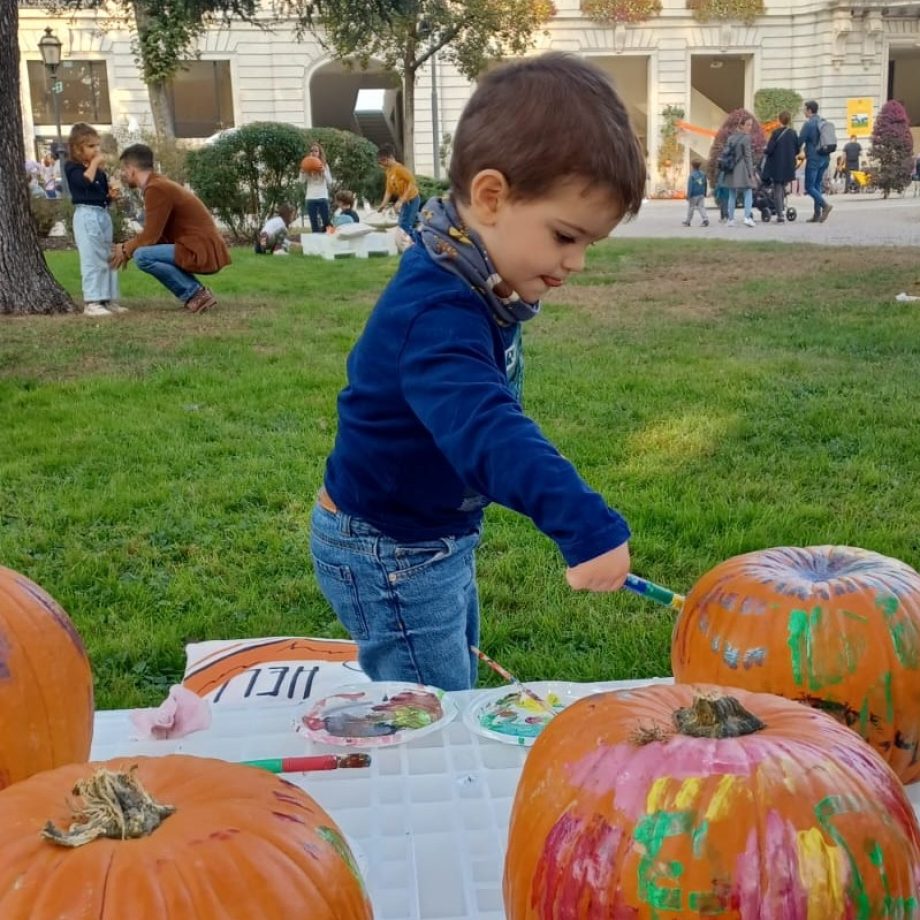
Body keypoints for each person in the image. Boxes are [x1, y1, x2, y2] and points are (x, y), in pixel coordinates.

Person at [310, 53, 645, 691]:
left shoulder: (474, 275)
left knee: (445, 681)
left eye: (588, 245)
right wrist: (585, 525)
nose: (576, 263)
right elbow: (488, 429)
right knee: (428, 714)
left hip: (426, 535)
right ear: (491, 197)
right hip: (390, 550)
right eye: (565, 236)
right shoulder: (437, 308)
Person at [109, 144, 230, 313]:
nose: (122, 174)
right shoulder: (159, 184)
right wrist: (128, 247)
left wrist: (125, 248)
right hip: (200, 248)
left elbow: (150, 236)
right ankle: (196, 294)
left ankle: (196, 294)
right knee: (143, 252)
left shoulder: (156, 188)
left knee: (142, 256)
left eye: (123, 169)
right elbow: (155, 236)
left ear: (131, 169)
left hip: (200, 250)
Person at [65, 123, 122, 317]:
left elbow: (102, 194)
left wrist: (111, 196)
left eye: (97, 146)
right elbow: (83, 182)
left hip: (101, 213)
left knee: (108, 256)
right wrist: (95, 164)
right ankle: (92, 301)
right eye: (90, 146)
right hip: (86, 214)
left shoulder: (99, 172)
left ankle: (108, 298)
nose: (96, 150)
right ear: (77, 148)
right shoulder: (72, 167)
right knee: (91, 258)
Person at [376, 144, 422, 237]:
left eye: (383, 160)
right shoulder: (389, 171)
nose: (382, 164)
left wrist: (401, 201)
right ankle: (408, 242)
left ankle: (413, 244)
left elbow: (411, 183)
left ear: (391, 158)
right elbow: (388, 191)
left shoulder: (400, 169)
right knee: (401, 224)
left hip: (412, 199)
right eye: (381, 161)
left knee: (405, 225)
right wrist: (383, 205)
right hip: (405, 201)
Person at [798, 100, 832, 223]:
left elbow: (799, 141)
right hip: (825, 158)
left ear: (809, 110)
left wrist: (796, 151)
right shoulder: (823, 121)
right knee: (816, 185)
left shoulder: (809, 124)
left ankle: (825, 206)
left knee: (809, 186)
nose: (803, 111)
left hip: (814, 158)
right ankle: (817, 214)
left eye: (804, 109)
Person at [761, 110, 798, 223]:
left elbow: (770, 149)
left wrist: (764, 150)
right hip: (788, 165)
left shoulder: (776, 133)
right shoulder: (793, 133)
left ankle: (780, 214)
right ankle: (782, 208)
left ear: (779, 120)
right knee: (782, 188)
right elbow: (797, 149)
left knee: (777, 189)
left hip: (777, 165)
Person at [723, 116, 756, 227]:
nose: (750, 127)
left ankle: (730, 219)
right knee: (748, 191)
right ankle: (747, 217)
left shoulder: (730, 138)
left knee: (732, 194)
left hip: (730, 168)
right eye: (748, 124)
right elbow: (748, 157)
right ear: (741, 125)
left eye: (751, 125)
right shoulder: (746, 138)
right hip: (741, 168)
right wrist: (751, 173)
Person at [301, 143, 333, 233]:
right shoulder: (306, 164)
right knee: (314, 222)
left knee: (326, 221)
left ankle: (330, 240)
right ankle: (316, 244)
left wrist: (324, 171)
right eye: (311, 151)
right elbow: (302, 181)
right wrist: (302, 172)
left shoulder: (324, 165)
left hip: (322, 197)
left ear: (319, 153)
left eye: (316, 151)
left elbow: (330, 181)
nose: (313, 152)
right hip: (310, 198)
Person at [682, 158, 709, 227]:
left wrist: (688, 196)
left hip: (693, 195)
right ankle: (705, 219)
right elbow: (705, 184)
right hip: (701, 193)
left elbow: (690, 186)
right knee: (701, 207)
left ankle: (688, 221)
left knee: (691, 208)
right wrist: (705, 193)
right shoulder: (703, 174)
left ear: (692, 166)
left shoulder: (692, 176)